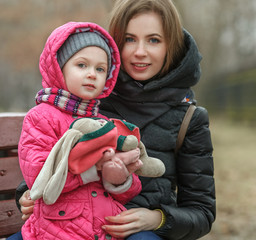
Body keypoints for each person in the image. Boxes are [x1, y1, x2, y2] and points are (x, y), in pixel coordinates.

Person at [17, 0, 216, 239]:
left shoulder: (189, 118)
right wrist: (25, 197)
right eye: (129, 39)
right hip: (68, 223)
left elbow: (201, 212)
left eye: (153, 40)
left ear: (170, 46)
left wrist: (157, 218)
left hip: (139, 231)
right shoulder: (89, 100)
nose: (140, 51)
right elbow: (42, 163)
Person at [15, 21, 145, 240]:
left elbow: (127, 194)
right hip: (57, 229)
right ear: (59, 67)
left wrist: (120, 177)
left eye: (100, 68)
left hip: (105, 229)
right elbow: (40, 179)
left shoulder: (103, 123)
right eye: (82, 65)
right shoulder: (41, 118)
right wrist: (95, 169)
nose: (92, 74)